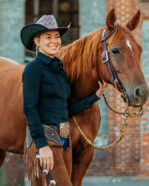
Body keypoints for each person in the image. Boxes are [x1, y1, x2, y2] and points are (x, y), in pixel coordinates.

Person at [20, 15, 107, 185]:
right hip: (46, 140)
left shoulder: (60, 70)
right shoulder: (33, 70)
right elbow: (30, 109)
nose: (54, 41)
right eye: (48, 37)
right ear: (37, 41)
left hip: (64, 138)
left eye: (57, 37)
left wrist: (95, 97)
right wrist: (42, 146)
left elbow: (67, 109)